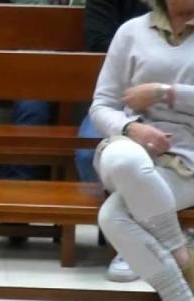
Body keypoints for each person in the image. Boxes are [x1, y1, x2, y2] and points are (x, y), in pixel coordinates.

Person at [91, 0, 194, 301]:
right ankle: (185, 259)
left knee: (113, 217)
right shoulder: (131, 31)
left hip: (190, 158)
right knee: (126, 161)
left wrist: (164, 93)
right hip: (128, 144)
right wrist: (131, 129)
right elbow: (101, 105)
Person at [83, 0, 151, 282]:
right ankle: (125, 241)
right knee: (88, 153)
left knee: (179, 157)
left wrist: (167, 91)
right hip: (124, 98)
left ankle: (152, 237)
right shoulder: (132, 31)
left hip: (184, 114)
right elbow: (98, 41)